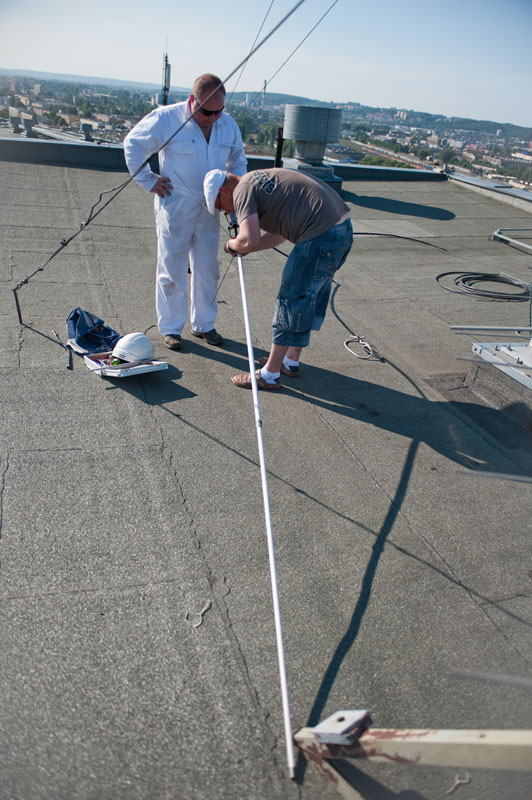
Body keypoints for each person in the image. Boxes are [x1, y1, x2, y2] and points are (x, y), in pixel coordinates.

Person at [124, 74, 247, 351]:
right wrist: (148, 180)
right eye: (206, 112)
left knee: (208, 268)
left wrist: (232, 191)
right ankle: (170, 327)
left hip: (211, 207)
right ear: (193, 100)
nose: (212, 118)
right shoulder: (167, 118)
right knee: (172, 267)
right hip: (175, 204)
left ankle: (204, 324)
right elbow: (133, 144)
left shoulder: (227, 125)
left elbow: (238, 161)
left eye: (218, 111)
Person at [203, 167, 353, 389]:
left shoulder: (242, 189)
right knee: (308, 298)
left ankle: (270, 374)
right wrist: (246, 247)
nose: (226, 212)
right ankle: (290, 361)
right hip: (341, 230)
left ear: (224, 191)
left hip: (320, 235)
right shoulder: (257, 180)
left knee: (291, 300)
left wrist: (232, 244)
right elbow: (279, 234)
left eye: (219, 206)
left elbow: (249, 239)